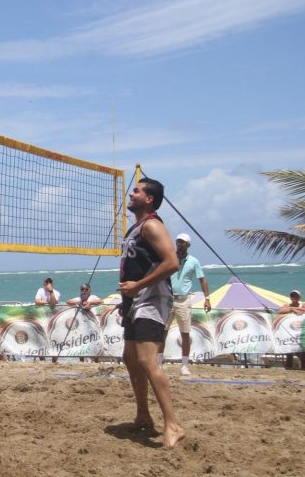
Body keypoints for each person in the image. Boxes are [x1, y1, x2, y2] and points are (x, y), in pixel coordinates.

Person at [118, 177, 184, 449]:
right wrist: (126, 299)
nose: (130, 193)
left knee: (147, 360)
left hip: (152, 300)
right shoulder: (135, 228)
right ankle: (143, 414)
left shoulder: (152, 225)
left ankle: (173, 424)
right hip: (136, 301)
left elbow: (172, 263)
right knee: (130, 358)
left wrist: (138, 286)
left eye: (136, 190)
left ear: (149, 199)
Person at [158, 233, 211, 375]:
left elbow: (202, 279)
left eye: (182, 242)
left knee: (185, 333)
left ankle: (184, 365)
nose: (179, 244)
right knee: (162, 332)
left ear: (188, 245)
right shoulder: (170, 258)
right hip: (168, 299)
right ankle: (158, 363)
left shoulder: (193, 261)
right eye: (178, 242)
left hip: (184, 300)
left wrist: (207, 298)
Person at [67, 283, 103, 363]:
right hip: (81, 325)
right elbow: (68, 302)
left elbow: (101, 301)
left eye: (86, 289)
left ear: (90, 290)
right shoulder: (79, 298)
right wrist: (79, 303)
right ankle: (82, 360)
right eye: (82, 289)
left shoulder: (92, 297)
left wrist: (90, 303)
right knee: (81, 342)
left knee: (94, 341)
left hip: (92, 324)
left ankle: (96, 359)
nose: (84, 291)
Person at [279, 290, 305, 371]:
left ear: (299, 297)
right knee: (289, 349)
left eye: (296, 296)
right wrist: (292, 310)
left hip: (301, 331)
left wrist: (291, 308)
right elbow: (280, 311)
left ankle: (304, 367)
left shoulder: (303, 305)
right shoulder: (286, 305)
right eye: (292, 296)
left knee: (302, 350)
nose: (294, 297)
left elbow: (303, 311)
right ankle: (289, 367)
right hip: (290, 331)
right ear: (290, 297)